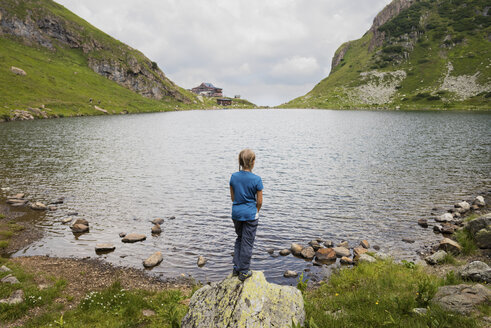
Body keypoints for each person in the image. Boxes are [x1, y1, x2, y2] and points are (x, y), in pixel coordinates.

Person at [229, 149, 263, 281]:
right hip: (250, 214)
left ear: (240, 162)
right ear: (252, 162)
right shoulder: (257, 179)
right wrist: (256, 211)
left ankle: (236, 268)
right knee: (247, 242)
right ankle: (244, 271)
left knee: (239, 238)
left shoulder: (233, 177)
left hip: (236, 213)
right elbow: (259, 201)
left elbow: (233, 198)